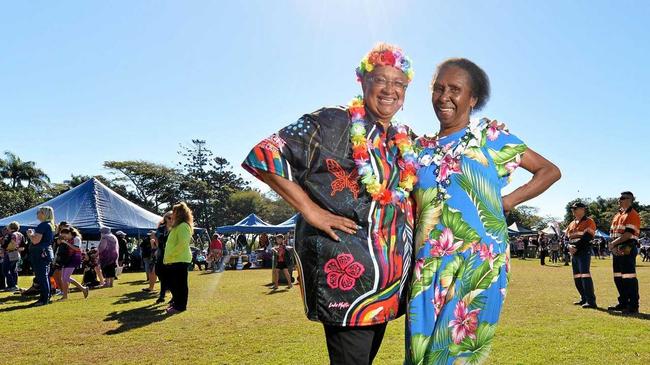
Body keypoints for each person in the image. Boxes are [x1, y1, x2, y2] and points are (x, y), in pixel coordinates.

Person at [243, 43, 416, 365]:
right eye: (381, 79)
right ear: (363, 82)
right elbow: (266, 153)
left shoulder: (402, 139)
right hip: (346, 280)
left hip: (388, 284)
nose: (390, 90)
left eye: (399, 84)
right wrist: (310, 210)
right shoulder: (333, 121)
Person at [406, 58, 561, 364]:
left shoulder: (490, 139)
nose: (444, 96)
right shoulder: (417, 149)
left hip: (480, 264)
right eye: (438, 88)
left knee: (452, 357)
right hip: (427, 268)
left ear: (473, 99)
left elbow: (548, 171)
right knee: (419, 356)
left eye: (455, 89)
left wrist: (509, 201)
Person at [607, 191, 641, 315]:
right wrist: (613, 246)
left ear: (630, 199)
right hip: (617, 249)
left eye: (622, 198)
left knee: (629, 278)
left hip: (627, 248)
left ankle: (633, 306)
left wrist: (613, 244)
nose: (619, 199)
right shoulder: (617, 215)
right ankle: (623, 303)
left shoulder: (633, 214)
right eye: (619, 197)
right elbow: (612, 234)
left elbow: (628, 234)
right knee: (618, 277)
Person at [564, 202, 597, 308]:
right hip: (574, 253)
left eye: (575, 208)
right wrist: (568, 246)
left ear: (583, 209)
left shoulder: (589, 221)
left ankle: (591, 301)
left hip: (583, 251)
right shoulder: (571, 223)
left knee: (585, 275)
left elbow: (587, 237)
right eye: (572, 208)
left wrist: (575, 247)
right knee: (577, 276)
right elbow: (565, 238)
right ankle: (583, 298)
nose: (573, 210)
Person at [163, 202, 193, 314]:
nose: (172, 214)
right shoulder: (176, 227)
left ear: (179, 213)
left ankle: (180, 306)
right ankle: (176, 303)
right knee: (173, 284)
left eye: (174, 212)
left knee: (180, 284)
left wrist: (171, 255)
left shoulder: (183, 226)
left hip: (180, 259)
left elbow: (182, 244)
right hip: (174, 259)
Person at [26, 206, 56, 306]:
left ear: (44, 214)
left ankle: (43, 299)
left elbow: (35, 241)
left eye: (39, 212)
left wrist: (30, 234)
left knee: (42, 277)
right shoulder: (50, 225)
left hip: (40, 253)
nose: (37, 214)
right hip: (46, 252)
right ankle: (45, 297)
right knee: (44, 276)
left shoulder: (43, 225)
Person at [58, 227, 89, 299]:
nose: (64, 237)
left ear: (69, 233)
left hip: (74, 258)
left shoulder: (76, 239)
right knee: (64, 278)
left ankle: (83, 289)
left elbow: (77, 248)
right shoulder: (69, 239)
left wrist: (66, 242)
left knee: (66, 278)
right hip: (68, 259)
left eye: (65, 236)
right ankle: (65, 296)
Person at [155, 211, 173, 304]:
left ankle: (164, 296)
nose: (171, 220)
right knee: (159, 273)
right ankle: (164, 292)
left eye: (173, 218)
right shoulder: (161, 229)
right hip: (162, 254)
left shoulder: (176, 229)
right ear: (165, 219)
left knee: (170, 276)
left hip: (172, 256)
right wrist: (158, 250)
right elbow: (158, 239)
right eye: (169, 218)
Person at [2, 222, 24, 292]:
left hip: (10, 253)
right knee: (13, 270)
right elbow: (23, 246)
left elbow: (5, 244)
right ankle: (15, 284)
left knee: (5, 270)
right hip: (17, 253)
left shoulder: (9, 234)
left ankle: (12, 285)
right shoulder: (20, 234)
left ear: (10, 227)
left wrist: (3, 246)